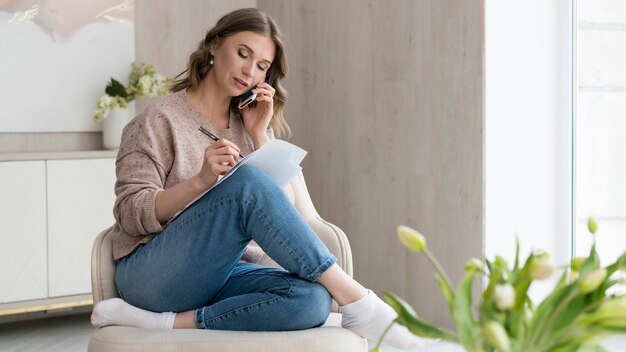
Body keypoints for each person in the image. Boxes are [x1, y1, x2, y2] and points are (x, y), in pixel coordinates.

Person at [90, 8, 433, 350]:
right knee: (247, 183)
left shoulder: (249, 125)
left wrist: (258, 135)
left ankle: (167, 322)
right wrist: (200, 181)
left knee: (312, 299)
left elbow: (283, 211)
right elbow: (130, 212)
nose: (249, 71)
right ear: (214, 45)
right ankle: (359, 300)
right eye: (243, 54)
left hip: (221, 275)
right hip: (153, 274)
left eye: (261, 66)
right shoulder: (156, 120)